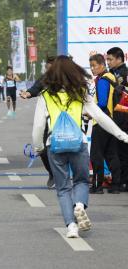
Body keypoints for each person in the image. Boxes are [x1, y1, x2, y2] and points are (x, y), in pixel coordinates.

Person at [32, 55, 128, 238]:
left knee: (63, 189)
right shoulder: (80, 93)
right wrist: (122, 135)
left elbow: (38, 127)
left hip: (55, 145)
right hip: (79, 144)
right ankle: (79, 205)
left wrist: (38, 147)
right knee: (82, 181)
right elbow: (100, 117)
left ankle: (71, 227)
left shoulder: (45, 96)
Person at [20, 56, 56, 189]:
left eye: (50, 68)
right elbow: (35, 88)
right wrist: (28, 93)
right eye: (47, 68)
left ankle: (66, 175)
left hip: (63, 120)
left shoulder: (66, 80)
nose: (48, 70)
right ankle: (52, 173)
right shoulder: (44, 79)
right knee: (42, 148)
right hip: (46, 119)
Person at [89, 54, 122, 194]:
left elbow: (102, 103)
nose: (92, 69)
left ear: (102, 65)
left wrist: (89, 110)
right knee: (111, 154)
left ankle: (97, 186)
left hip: (101, 121)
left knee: (96, 155)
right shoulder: (112, 77)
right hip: (112, 122)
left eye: (94, 66)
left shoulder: (102, 80)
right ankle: (116, 185)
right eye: (90, 66)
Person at [106, 47, 128, 192]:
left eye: (110, 59)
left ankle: (124, 182)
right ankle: (119, 180)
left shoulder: (124, 74)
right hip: (115, 116)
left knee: (123, 150)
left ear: (120, 59)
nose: (108, 62)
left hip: (123, 116)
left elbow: (123, 93)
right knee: (116, 150)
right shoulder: (112, 73)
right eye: (107, 59)